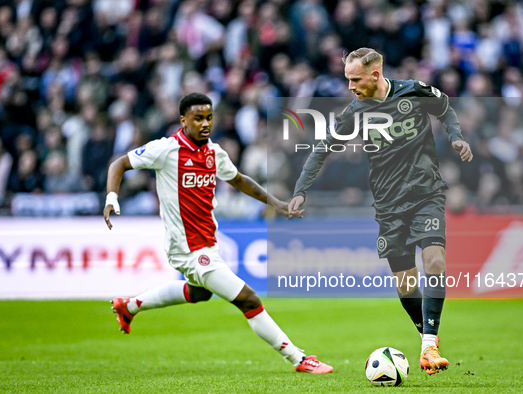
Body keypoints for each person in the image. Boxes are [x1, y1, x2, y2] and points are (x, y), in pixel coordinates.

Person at [104, 92, 332, 374]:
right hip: (187, 248)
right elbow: (119, 163)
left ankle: (129, 306)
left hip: (208, 243)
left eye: (209, 117)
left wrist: (277, 203)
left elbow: (238, 179)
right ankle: (299, 358)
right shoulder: (166, 149)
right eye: (198, 118)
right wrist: (112, 196)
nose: (205, 123)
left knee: (200, 294)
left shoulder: (214, 151)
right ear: (183, 120)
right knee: (248, 298)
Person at [288, 48, 473, 375]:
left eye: (355, 79)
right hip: (389, 205)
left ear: (375, 74)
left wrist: (456, 138)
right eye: (347, 79)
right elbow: (322, 150)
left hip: (426, 192)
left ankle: (429, 344)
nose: (350, 86)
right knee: (405, 284)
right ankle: (427, 337)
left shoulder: (413, 91)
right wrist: (301, 190)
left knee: (434, 259)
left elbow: (445, 109)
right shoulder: (354, 112)